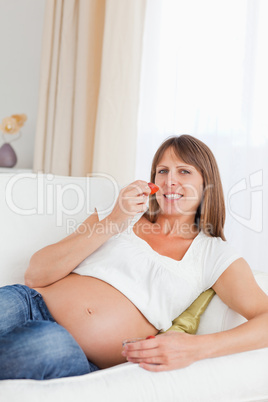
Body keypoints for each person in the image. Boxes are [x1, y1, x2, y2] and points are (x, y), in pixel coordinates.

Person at [1, 135, 268, 380]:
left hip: (73, 351)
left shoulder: (214, 254)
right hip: (27, 303)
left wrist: (196, 347)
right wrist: (115, 220)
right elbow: (36, 274)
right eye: (162, 171)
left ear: (206, 183)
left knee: (47, 342)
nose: (169, 181)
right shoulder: (120, 215)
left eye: (184, 171)